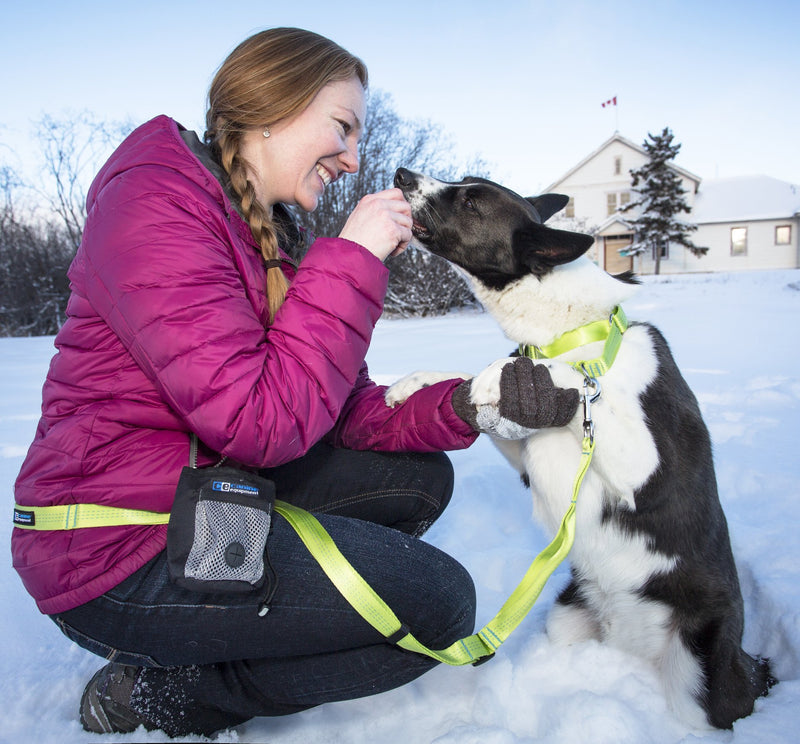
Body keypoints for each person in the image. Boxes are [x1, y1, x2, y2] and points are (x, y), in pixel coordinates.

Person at [11, 28, 578, 737]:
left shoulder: (268, 236)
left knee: (419, 478)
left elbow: (340, 411)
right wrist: (353, 261)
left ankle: (271, 612)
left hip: (202, 503)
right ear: (273, 107)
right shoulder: (157, 207)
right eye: (342, 127)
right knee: (436, 608)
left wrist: (468, 404)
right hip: (115, 546)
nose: (353, 158)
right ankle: (168, 693)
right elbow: (259, 422)